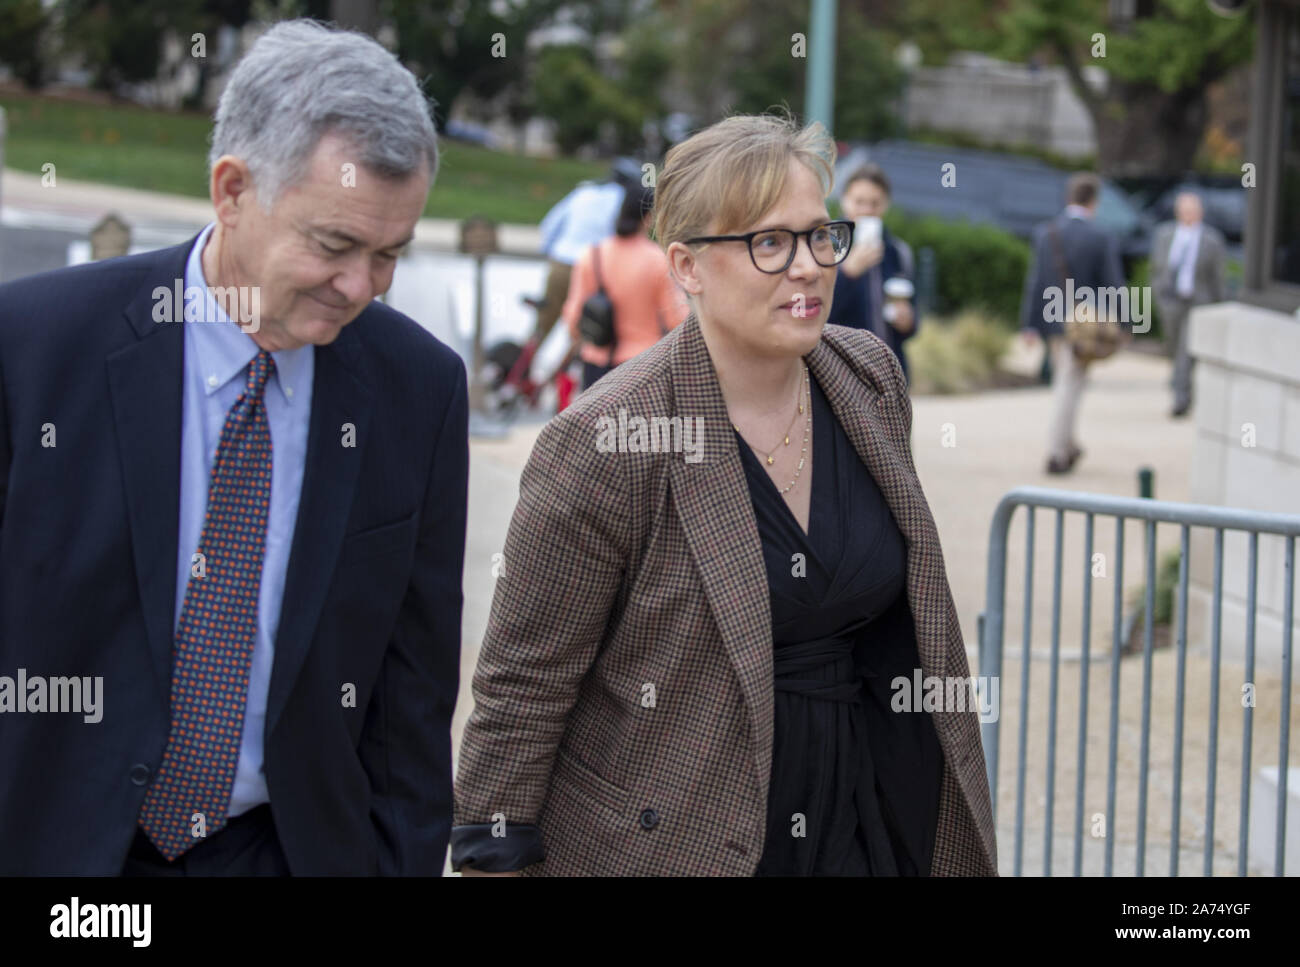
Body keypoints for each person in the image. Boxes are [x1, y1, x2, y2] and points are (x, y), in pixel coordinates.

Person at [450, 114, 996, 876]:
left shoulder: (868, 377)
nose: (806, 266)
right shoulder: (609, 437)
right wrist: (491, 853)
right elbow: (523, 686)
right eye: (768, 242)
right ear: (688, 265)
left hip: (866, 810)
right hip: (679, 834)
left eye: (818, 236)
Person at [0, 20, 469, 875]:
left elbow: (413, 692)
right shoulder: (32, 348)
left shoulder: (418, 391)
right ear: (231, 190)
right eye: (333, 245)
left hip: (284, 852)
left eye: (389, 255)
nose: (359, 287)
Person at [1020, 172, 1126, 474]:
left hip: (1053, 323)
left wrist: (1029, 325)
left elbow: (1036, 282)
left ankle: (1068, 444)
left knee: (1067, 383)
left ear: (1069, 197)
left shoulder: (1046, 232)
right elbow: (1114, 284)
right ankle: (1057, 453)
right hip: (1085, 326)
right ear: (1094, 201)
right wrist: (1126, 323)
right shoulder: (1100, 236)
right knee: (1069, 387)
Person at [561, 183, 689, 391]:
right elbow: (676, 319)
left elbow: (573, 316)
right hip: (641, 365)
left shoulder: (592, 255)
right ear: (647, 217)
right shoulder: (656, 260)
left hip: (595, 363)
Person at [528, 160, 642, 343]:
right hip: (594, 269)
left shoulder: (584, 192)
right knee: (584, 331)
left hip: (561, 262)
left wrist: (550, 252)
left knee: (543, 322)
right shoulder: (624, 200)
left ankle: (522, 368)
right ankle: (562, 371)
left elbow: (550, 225)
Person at [827, 164, 920, 383]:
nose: (867, 210)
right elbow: (816, 314)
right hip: (839, 372)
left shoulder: (898, 252)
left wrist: (908, 322)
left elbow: (914, 319)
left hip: (888, 374)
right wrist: (847, 274)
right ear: (844, 200)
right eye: (859, 202)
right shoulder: (825, 246)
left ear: (885, 205)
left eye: (875, 203)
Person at [1150, 191, 1226, 417]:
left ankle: (1181, 398)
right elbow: (1156, 268)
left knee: (1185, 349)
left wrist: (1218, 307)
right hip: (1170, 301)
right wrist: (1158, 296)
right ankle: (1180, 383)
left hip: (1197, 302)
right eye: (1184, 209)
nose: (1188, 214)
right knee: (1174, 347)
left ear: (1200, 212)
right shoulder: (1165, 234)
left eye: (1192, 209)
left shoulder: (1212, 240)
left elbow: (1218, 278)